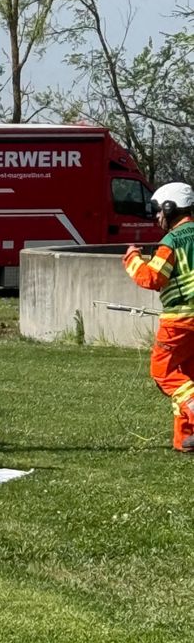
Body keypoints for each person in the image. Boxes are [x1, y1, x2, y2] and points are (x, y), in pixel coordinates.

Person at [124, 181, 194, 452]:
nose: (156, 216)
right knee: (186, 377)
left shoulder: (171, 241)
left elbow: (152, 277)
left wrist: (132, 258)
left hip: (179, 321)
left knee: (163, 373)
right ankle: (185, 441)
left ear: (169, 207)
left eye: (158, 210)